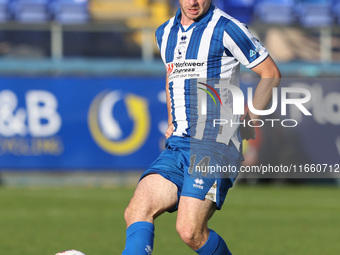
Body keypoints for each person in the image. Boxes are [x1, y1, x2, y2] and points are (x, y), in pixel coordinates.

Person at [122, 0, 281, 254]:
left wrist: (250, 118)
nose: (193, 2)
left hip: (214, 145)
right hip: (178, 145)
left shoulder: (228, 28)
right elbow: (171, 74)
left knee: (190, 231)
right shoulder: (164, 32)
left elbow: (270, 73)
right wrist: (172, 118)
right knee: (137, 210)